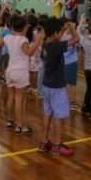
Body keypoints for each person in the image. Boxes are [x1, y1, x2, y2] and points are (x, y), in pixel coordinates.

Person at [0, 15, 44, 134]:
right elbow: (29, 52)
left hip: (9, 71)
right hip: (20, 71)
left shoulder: (8, 37)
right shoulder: (23, 40)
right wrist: (39, 40)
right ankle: (20, 126)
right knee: (19, 99)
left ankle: (10, 121)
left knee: (11, 97)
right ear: (25, 27)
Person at [38, 18, 79, 156]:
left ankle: (44, 142)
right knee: (58, 117)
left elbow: (58, 38)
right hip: (57, 86)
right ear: (55, 33)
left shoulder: (45, 45)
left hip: (47, 85)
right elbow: (76, 39)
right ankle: (57, 145)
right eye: (60, 31)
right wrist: (72, 27)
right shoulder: (57, 46)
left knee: (47, 114)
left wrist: (62, 29)